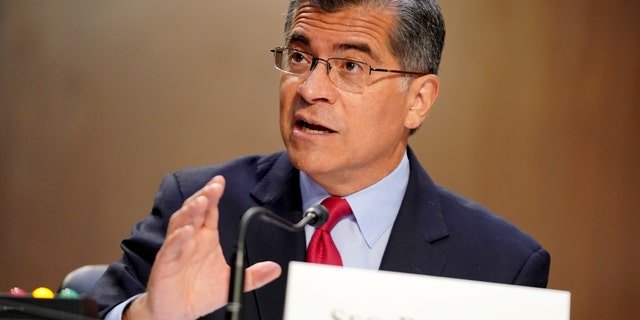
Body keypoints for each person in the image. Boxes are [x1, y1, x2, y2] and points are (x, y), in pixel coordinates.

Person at [91, 0, 551, 319]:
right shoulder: (204, 209)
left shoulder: (501, 266)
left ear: (419, 99)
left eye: (351, 66)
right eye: (299, 56)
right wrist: (149, 318)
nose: (309, 89)